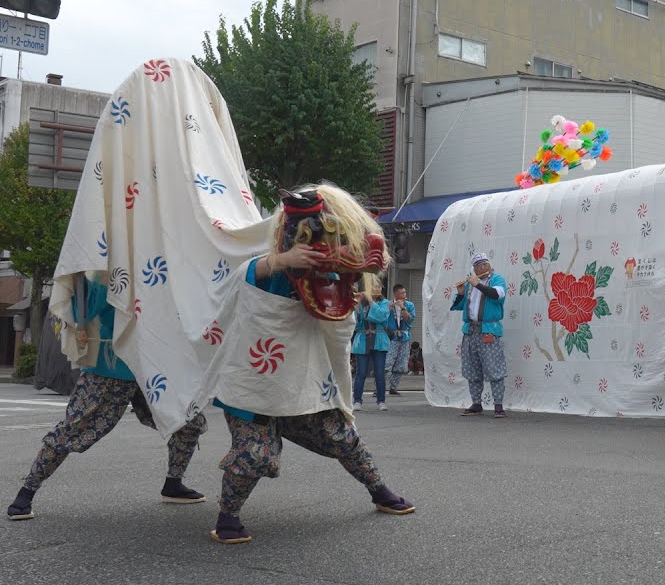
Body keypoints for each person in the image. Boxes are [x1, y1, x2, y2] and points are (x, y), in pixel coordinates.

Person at [206, 186, 414, 545]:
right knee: (255, 453)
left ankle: (379, 491)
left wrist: (365, 266)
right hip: (256, 385)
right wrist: (281, 262)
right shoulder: (268, 266)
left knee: (343, 439)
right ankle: (227, 515)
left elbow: (345, 301)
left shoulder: (329, 277)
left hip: (302, 383)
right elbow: (244, 277)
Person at [7, 275, 207, 521]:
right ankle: (27, 491)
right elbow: (84, 312)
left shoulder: (160, 261)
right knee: (73, 428)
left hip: (154, 366)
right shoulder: (108, 267)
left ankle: (173, 483)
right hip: (109, 367)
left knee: (188, 422)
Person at [451, 252, 509, 418]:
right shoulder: (470, 285)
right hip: (470, 332)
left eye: (485, 264)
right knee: (472, 368)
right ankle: (476, 403)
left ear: (490, 265)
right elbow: (458, 306)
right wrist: (461, 293)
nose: (483, 267)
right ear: (474, 269)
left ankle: (498, 406)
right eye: (479, 265)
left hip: (488, 331)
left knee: (494, 368)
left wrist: (477, 284)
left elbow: (498, 295)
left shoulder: (496, 279)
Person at [351, 280, 391, 411]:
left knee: (379, 373)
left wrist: (370, 301)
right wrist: (355, 307)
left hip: (379, 340)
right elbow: (355, 323)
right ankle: (357, 400)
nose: (378, 288)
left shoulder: (385, 303)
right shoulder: (360, 303)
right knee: (361, 372)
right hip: (362, 339)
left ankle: (381, 401)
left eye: (380, 286)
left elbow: (381, 317)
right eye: (374, 286)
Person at [386, 285, 416, 396]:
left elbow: (410, 319)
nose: (404, 295)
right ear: (395, 294)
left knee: (401, 363)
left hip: (404, 337)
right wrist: (388, 309)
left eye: (405, 292)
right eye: (402, 293)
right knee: (387, 363)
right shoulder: (388, 304)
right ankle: (379, 387)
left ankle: (393, 387)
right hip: (391, 337)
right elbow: (382, 318)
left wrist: (403, 308)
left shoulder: (409, 305)